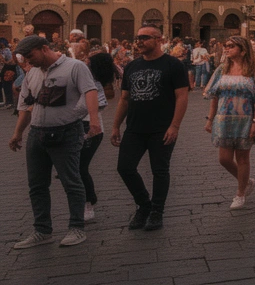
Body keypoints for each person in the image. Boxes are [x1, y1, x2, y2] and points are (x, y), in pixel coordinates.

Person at [8, 36, 101, 248]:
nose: (30, 62)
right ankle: (42, 231)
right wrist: (17, 133)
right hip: (37, 134)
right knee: (37, 185)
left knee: (71, 181)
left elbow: (90, 92)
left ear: (44, 49)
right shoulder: (32, 73)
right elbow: (25, 106)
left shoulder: (74, 67)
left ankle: (77, 228)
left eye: (32, 56)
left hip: (66, 132)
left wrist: (94, 121)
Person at [110, 26, 188, 232]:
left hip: (161, 128)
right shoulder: (132, 66)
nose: (139, 41)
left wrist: (175, 126)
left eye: (144, 38)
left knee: (159, 171)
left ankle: (157, 212)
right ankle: (144, 205)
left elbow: (182, 97)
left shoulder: (173, 65)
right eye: (138, 38)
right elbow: (124, 99)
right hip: (135, 128)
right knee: (125, 168)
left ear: (158, 39)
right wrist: (116, 126)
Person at [204, 36, 255, 210]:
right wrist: (210, 119)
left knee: (243, 158)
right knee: (224, 159)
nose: (226, 48)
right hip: (223, 119)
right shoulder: (222, 69)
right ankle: (246, 181)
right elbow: (214, 96)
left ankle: (240, 193)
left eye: (231, 46)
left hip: (246, 119)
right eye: (226, 45)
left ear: (243, 50)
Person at [80, 51, 118, 222]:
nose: (85, 61)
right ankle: (82, 201)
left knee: (81, 168)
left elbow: (101, 104)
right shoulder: (87, 77)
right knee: (76, 169)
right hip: (76, 126)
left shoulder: (94, 82)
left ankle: (89, 202)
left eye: (89, 60)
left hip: (91, 128)